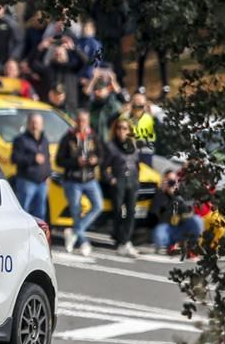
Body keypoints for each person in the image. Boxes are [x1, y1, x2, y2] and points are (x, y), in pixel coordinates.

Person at [56, 109, 104, 257]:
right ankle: (83, 242)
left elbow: (102, 155)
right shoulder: (68, 137)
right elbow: (59, 160)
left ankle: (74, 232)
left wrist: (95, 161)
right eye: (79, 120)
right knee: (76, 211)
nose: (81, 123)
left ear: (88, 122)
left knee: (98, 205)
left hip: (89, 178)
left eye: (84, 120)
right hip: (73, 180)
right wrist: (75, 162)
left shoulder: (93, 136)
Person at [102, 117, 141, 257]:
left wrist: (137, 179)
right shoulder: (111, 146)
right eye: (119, 128)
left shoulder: (134, 146)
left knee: (131, 211)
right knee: (118, 211)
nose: (121, 131)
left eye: (125, 128)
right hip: (118, 180)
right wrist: (111, 179)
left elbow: (137, 164)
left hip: (132, 181)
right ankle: (121, 241)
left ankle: (126, 240)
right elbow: (103, 167)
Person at [150, 170, 204, 256]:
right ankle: (166, 246)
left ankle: (191, 247)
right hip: (166, 229)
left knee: (197, 220)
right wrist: (162, 192)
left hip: (179, 229)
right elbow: (153, 214)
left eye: (175, 181)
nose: (173, 184)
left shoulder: (181, 194)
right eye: (170, 182)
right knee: (159, 234)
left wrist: (176, 196)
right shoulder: (160, 195)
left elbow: (188, 212)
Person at [11, 112, 51, 221]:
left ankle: (37, 237)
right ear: (28, 124)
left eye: (37, 123)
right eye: (32, 123)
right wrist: (33, 159)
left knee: (40, 213)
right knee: (23, 211)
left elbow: (47, 158)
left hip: (42, 182)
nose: (35, 126)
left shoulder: (44, 140)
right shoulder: (21, 140)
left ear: (42, 125)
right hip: (26, 181)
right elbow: (15, 159)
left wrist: (48, 174)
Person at [124, 92, 157, 166]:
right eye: (136, 100)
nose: (138, 103)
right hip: (130, 150)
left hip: (146, 151)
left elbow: (155, 120)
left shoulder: (149, 116)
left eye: (140, 101)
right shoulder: (127, 116)